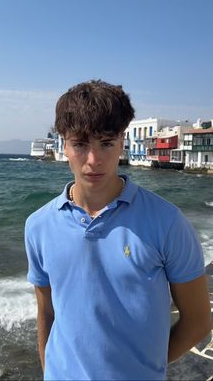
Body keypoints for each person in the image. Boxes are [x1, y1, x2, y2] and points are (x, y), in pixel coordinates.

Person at [25, 80, 211, 381]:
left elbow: (199, 321)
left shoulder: (167, 222)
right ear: (64, 144)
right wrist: (50, 371)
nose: (93, 160)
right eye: (80, 144)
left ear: (122, 141)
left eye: (106, 143)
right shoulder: (38, 225)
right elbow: (46, 313)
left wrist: (145, 366)